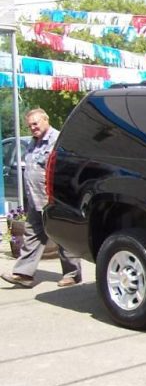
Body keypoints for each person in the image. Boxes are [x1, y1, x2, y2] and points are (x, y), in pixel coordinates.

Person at [1, 108, 82, 288]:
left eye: (35, 123)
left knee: (62, 234)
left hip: (54, 199)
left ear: (46, 120)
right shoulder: (33, 142)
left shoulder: (57, 141)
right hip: (35, 199)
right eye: (30, 125)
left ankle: (72, 274)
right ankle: (24, 274)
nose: (33, 128)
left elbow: (65, 169)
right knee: (32, 235)